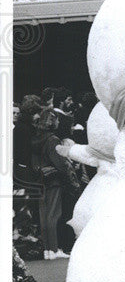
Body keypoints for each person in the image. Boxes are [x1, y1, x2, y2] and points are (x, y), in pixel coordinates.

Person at [35, 109, 72, 260]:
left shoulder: (37, 137)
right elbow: (60, 163)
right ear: (52, 121)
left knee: (44, 215)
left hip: (39, 179)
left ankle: (47, 249)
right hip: (53, 180)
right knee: (54, 214)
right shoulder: (53, 139)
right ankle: (55, 249)